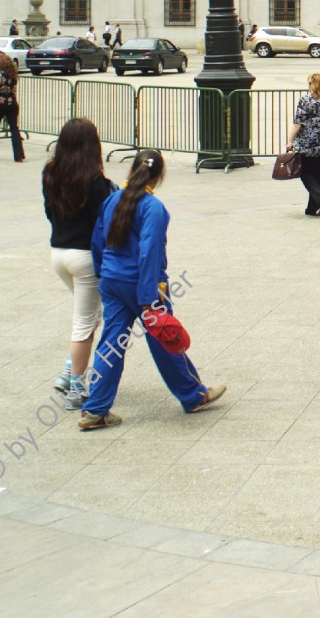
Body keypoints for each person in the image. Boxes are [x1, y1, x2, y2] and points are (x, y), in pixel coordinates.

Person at [79, 150, 225, 429]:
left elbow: (97, 242)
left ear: (132, 170)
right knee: (165, 339)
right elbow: (149, 252)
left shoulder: (111, 200)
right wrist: (148, 300)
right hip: (144, 286)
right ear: (158, 178)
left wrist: (104, 276)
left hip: (112, 281)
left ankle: (95, 409)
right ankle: (193, 395)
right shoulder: (153, 208)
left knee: (110, 346)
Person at [43, 119, 112, 409]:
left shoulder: (51, 172)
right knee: (84, 324)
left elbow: (48, 212)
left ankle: (68, 372)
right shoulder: (96, 182)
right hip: (85, 258)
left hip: (58, 253)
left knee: (91, 314)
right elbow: (105, 224)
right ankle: (76, 388)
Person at [287, 73, 320, 216]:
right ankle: (312, 207)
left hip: (309, 141)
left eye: (309, 83)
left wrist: (290, 140)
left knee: (305, 173)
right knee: (318, 173)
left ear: (313, 85)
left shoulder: (305, 100)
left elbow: (298, 123)